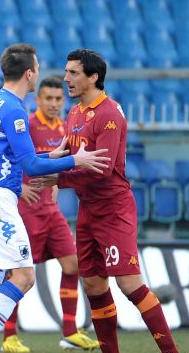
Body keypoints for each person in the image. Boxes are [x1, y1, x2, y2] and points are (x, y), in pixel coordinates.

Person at [0, 43, 111, 353]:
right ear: (30, 73)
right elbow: (31, 167)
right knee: (23, 276)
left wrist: (54, 154)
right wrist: (77, 160)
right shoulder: (13, 109)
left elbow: (12, 155)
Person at [31, 49, 179, 353]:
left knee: (129, 285)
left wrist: (58, 179)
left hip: (114, 210)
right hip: (88, 211)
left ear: (93, 77)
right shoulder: (74, 113)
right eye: (66, 71)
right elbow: (70, 158)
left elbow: (102, 171)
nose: (66, 79)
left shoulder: (109, 113)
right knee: (95, 286)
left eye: (73, 73)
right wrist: (51, 162)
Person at [0, 76, 99, 353]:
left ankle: (69, 332)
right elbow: (4, 157)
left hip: (51, 210)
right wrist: (18, 187)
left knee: (72, 264)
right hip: (26, 210)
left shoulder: (65, 128)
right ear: (38, 100)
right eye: (49, 99)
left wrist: (57, 182)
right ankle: (9, 338)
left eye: (58, 99)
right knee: (18, 274)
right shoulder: (27, 125)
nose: (54, 103)